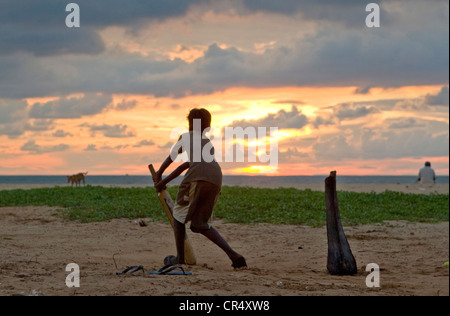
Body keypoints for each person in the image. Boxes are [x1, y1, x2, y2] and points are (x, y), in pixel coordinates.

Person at [154, 108, 247, 269]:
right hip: (215, 178)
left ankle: (180, 258)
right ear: (208, 127)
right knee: (199, 224)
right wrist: (163, 180)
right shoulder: (206, 143)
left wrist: (159, 174)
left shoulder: (186, 137)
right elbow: (185, 165)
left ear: (189, 123)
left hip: (197, 176)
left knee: (178, 217)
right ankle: (234, 256)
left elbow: (172, 157)